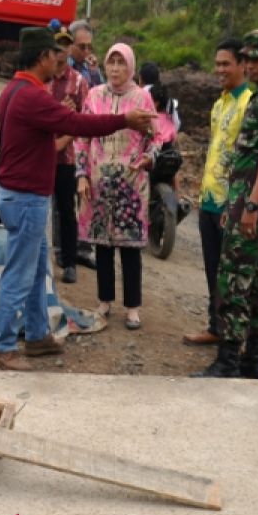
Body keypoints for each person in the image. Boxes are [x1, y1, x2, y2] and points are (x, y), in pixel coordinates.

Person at [0, 28, 155, 371]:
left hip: (20, 194)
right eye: (55, 55)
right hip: (25, 198)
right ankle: (4, 345)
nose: (61, 62)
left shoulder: (15, 90)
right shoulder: (31, 97)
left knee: (37, 271)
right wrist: (124, 119)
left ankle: (36, 337)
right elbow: (78, 124)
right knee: (20, 273)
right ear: (41, 58)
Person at [196, 29, 258, 379]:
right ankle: (253, 361)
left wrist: (250, 206)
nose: (250, 64)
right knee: (253, 282)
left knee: (235, 279)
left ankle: (230, 360)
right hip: (243, 202)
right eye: (247, 57)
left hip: (254, 205)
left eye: (257, 58)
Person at [75, 43, 157, 331]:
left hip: (131, 184)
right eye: (111, 63)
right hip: (98, 181)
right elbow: (81, 137)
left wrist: (148, 157)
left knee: (130, 247)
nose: (115, 69)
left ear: (131, 67)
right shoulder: (94, 97)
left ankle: (132, 308)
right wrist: (82, 174)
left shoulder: (142, 100)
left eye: (121, 63)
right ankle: (104, 301)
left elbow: (156, 138)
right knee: (103, 245)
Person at [183, 39, 250, 346]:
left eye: (226, 64)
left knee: (231, 273)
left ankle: (233, 337)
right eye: (218, 63)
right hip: (209, 200)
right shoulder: (220, 103)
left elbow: (246, 160)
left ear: (242, 65)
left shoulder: (249, 103)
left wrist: (234, 204)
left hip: (230, 204)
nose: (219, 69)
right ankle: (216, 327)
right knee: (213, 269)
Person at [49, 28, 89, 284]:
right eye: (57, 46)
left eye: (66, 46)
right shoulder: (43, 80)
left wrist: (65, 139)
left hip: (67, 158)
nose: (61, 51)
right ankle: (49, 257)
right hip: (41, 155)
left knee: (66, 209)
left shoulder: (79, 82)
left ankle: (70, 261)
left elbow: (85, 120)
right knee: (40, 209)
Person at [139, 61, 182, 131]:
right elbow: (177, 122)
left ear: (140, 79)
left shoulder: (138, 95)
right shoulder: (164, 95)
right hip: (166, 139)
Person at [67, 20, 103, 87]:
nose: (86, 51)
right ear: (70, 45)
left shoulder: (91, 67)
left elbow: (102, 93)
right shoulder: (63, 65)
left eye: (89, 47)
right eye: (82, 47)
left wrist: (94, 73)